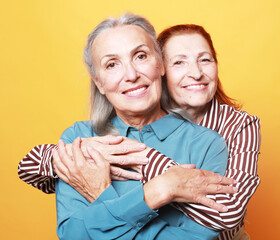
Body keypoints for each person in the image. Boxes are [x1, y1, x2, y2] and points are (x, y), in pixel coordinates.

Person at [18, 17, 261, 240]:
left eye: (141, 56)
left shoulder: (210, 142)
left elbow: (205, 229)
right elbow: (72, 234)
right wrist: (157, 191)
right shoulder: (79, 138)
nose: (131, 74)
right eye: (112, 64)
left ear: (160, 66)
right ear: (99, 83)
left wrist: (105, 198)